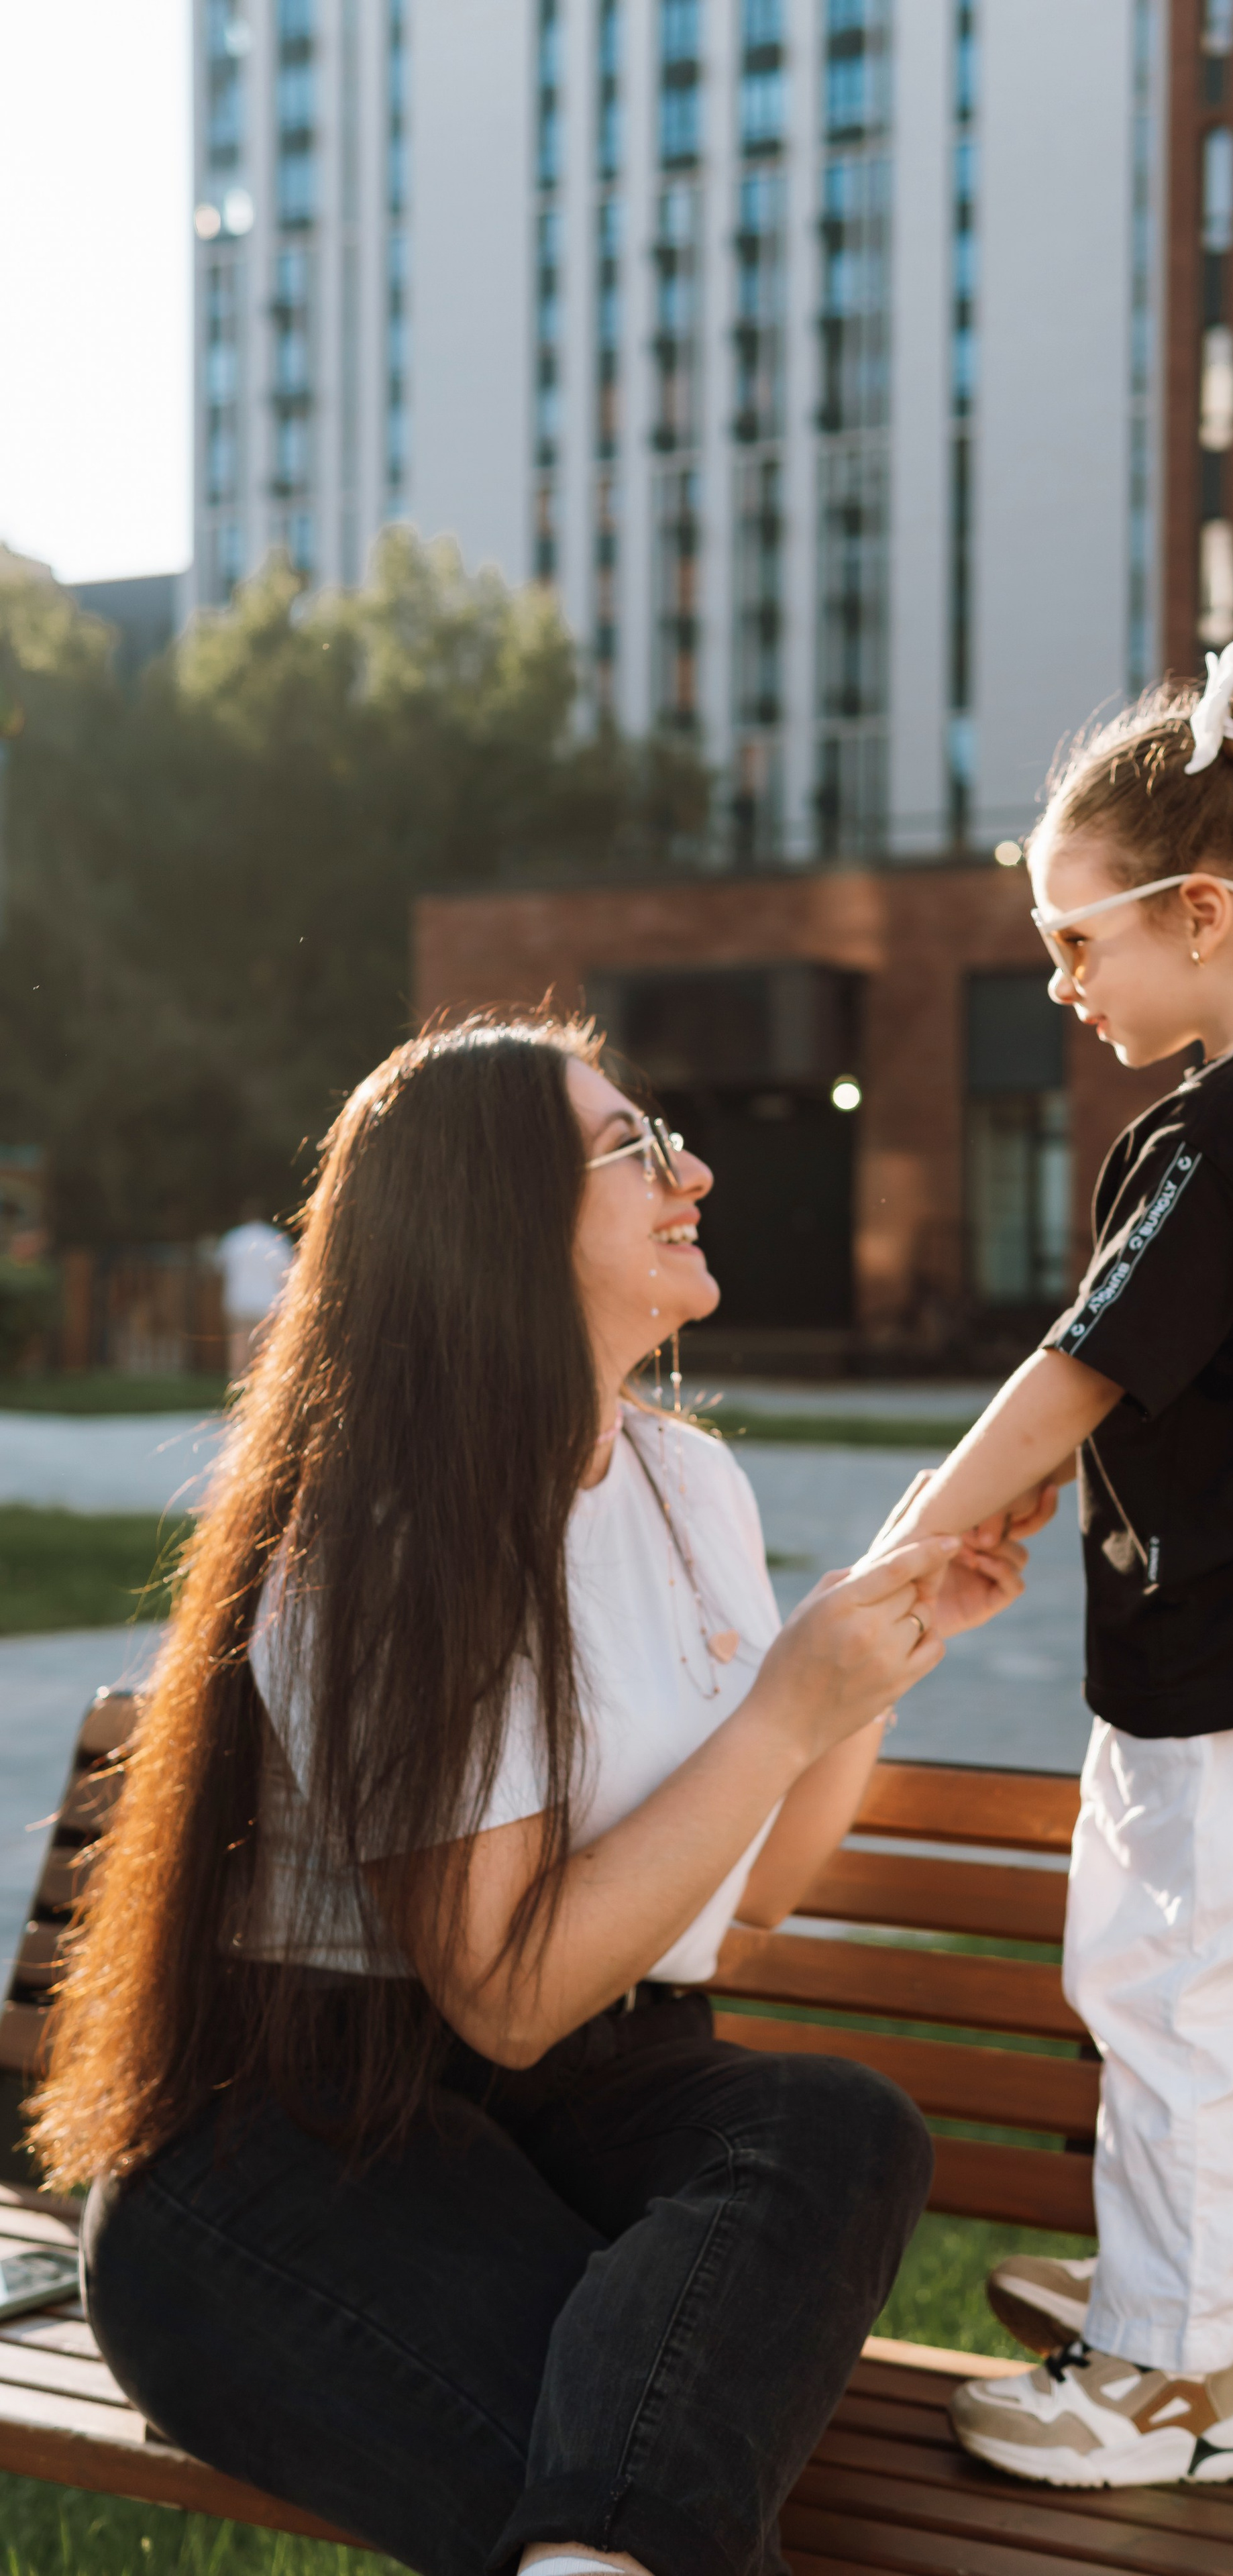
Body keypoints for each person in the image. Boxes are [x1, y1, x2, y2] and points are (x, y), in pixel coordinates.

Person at [34, 1016, 1027, 2576]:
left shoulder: (688, 1482)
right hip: (304, 2157)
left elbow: (745, 1905)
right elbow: (498, 1995)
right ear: (497, 1219)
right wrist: (779, 1711)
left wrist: (866, 1664)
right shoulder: (387, 1526)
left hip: (591, 2102)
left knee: (833, 2124)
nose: (691, 1168)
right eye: (632, 1147)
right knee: (660, 2497)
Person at [880, 645, 1233, 2490]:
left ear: (1201, 909)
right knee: (1154, 1978)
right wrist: (1029, 1498)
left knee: (1214, 1997)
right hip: (1204, 1649)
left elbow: (1082, 1363)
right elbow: (1141, 1393)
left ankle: (1179, 2377)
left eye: (1078, 940)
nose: (1060, 979)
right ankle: (1182, 2309)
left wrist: (925, 1517)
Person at [217, 1212, 296, 1377]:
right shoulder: (276, 1240)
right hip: (268, 1303)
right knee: (265, 1345)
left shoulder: (234, 1239)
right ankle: (262, 1384)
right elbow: (287, 1274)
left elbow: (220, 1267)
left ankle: (236, 1383)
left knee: (239, 1343)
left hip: (239, 1301)